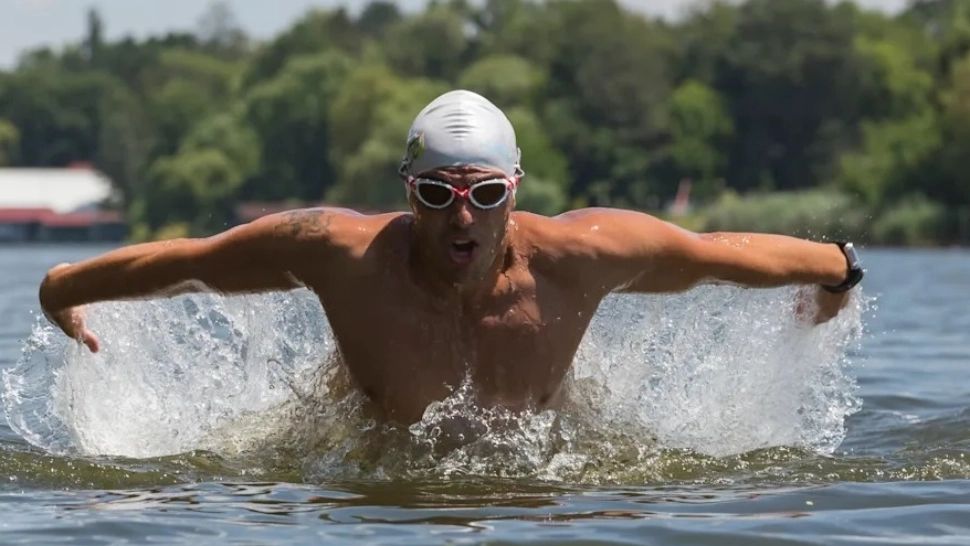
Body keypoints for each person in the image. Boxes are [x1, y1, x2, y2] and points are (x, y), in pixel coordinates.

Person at [38, 90, 863, 424]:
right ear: (407, 192)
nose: (462, 216)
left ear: (515, 189)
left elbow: (716, 253)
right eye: (437, 195)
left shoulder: (583, 253)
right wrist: (63, 286)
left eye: (485, 194)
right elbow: (197, 260)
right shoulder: (339, 252)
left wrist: (834, 266)